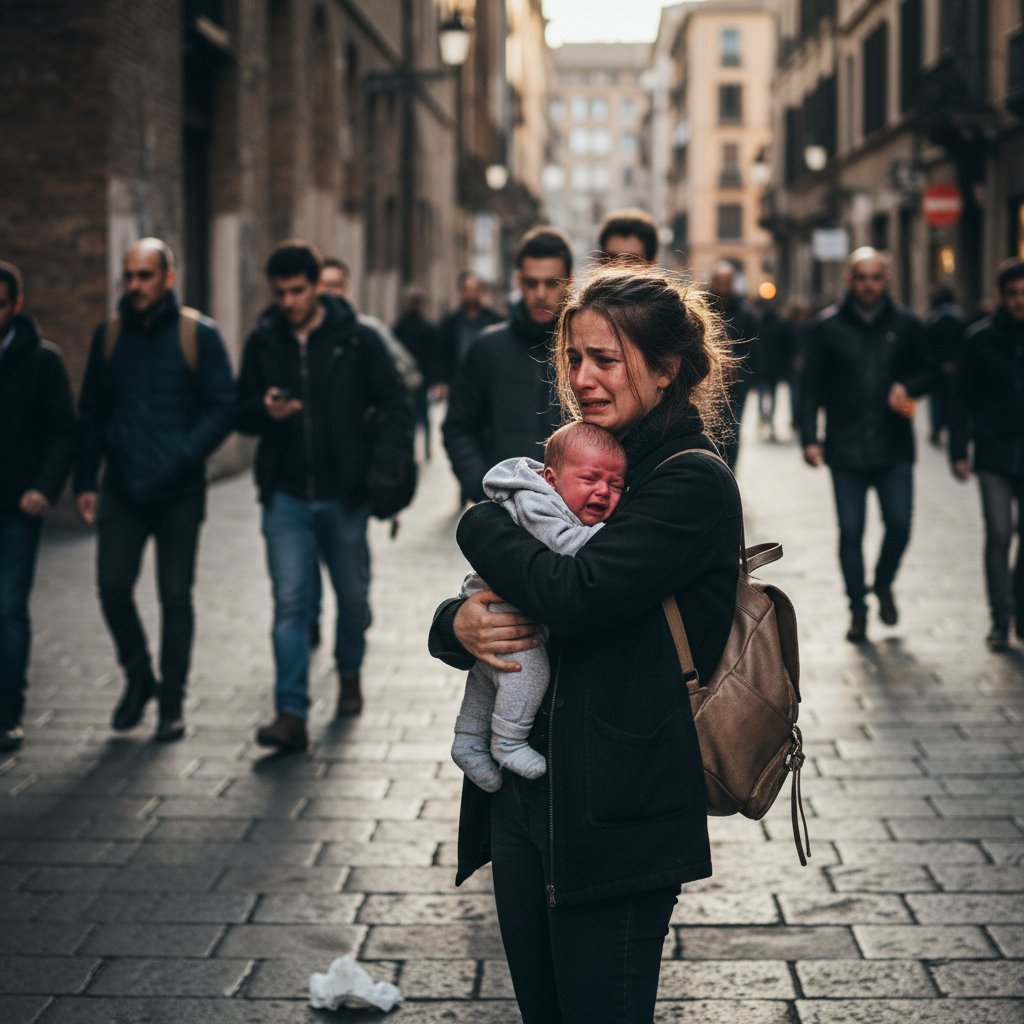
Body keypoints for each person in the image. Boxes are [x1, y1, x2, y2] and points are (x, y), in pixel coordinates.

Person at [429, 266, 740, 1023]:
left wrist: (478, 521)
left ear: (668, 368)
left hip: (617, 811)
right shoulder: (596, 459)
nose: (583, 377)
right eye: (575, 358)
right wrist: (452, 625)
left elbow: (577, 597)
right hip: (526, 791)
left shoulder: (687, 481)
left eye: (607, 359)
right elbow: (506, 596)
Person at [237, 242, 413, 752]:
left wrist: (383, 470)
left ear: (317, 285)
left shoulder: (357, 338)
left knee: (353, 599)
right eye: (281, 293)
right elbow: (239, 407)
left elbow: (396, 404)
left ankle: (350, 673)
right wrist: (262, 409)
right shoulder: (264, 340)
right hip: (286, 495)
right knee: (291, 603)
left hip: (345, 495)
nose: (290, 301)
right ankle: (290, 712)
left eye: (298, 290)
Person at [74, 238, 235, 742]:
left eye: (146, 276)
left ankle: (171, 703)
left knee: (174, 596)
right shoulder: (110, 334)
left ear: (168, 277)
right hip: (121, 487)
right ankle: (140, 676)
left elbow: (222, 407)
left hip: (179, 491)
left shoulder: (198, 334)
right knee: (112, 585)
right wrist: (85, 480)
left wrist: (183, 455)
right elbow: (93, 412)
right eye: (129, 276)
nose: (136, 286)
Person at [452, 422, 627, 793]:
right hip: (502, 606)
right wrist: (616, 534)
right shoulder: (538, 502)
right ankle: (508, 742)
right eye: (591, 479)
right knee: (527, 668)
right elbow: (566, 546)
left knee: (488, 678)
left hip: (505, 603)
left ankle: (467, 741)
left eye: (616, 485)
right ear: (550, 478)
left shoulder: (550, 495)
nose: (603, 491)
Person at [800, 247, 929, 643]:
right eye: (863, 277)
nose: (870, 284)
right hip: (845, 445)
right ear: (850, 281)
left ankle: (884, 581)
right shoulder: (828, 327)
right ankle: (857, 609)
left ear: (886, 280)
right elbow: (810, 387)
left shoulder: (907, 324)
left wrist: (909, 386)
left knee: (900, 524)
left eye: (877, 277)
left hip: (894, 446)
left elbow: (930, 370)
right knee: (851, 531)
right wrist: (809, 437)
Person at [0, 261, 76, 752]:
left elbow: (63, 431)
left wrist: (45, 487)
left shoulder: (42, 361)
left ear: (15, 306)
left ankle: (8, 713)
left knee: (7, 609)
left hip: (16, 507)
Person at [443, 227, 573, 504]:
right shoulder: (488, 348)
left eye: (552, 283)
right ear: (519, 281)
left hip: (574, 513)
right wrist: (482, 487)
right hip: (504, 511)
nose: (540, 294)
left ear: (569, 282)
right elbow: (459, 425)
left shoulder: (584, 349)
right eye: (531, 283)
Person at [949, 258, 1024, 651]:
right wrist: (959, 450)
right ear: (1000, 296)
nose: (1019, 301)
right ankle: (1000, 618)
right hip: (994, 452)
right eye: (1012, 294)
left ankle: (1021, 612)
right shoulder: (980, 339)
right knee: (999, 532)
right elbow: (961, 399)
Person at [707, 260, 758, 470]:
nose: (722, 286)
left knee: (733, 429)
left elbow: (753, 347)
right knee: (709, 429)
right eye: (719, 281)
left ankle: (729, 471)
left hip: (736, 384)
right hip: (708, 383)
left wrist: (746, 373)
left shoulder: (745, 312)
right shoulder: (703, 307)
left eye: (726, 281)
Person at [435, 271, 503, 392]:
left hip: (487, 385)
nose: (471, 294)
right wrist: (442, 382)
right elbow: (442, 354)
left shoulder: (494, 320)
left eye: (475, 289)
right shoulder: (450, 323)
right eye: (467, 289)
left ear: (481, 291)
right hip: (457, 385)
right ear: (460, 292)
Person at [392, 286, 438, 461]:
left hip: (406, 379)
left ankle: (413, 449)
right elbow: (433, 354)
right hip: (422, 378)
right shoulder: (427, 326)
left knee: (412, 417)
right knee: (424, 417)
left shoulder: (401, 325)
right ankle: (426, 449)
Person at [925, 283, 966, 447]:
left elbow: (927, 344)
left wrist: (938, 362)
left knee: (937, 400)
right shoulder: (958, 317)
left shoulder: (933, 319)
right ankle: (948, 428)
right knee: (951, 399)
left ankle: (937, 429)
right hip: (953, 367)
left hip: (937, 367)